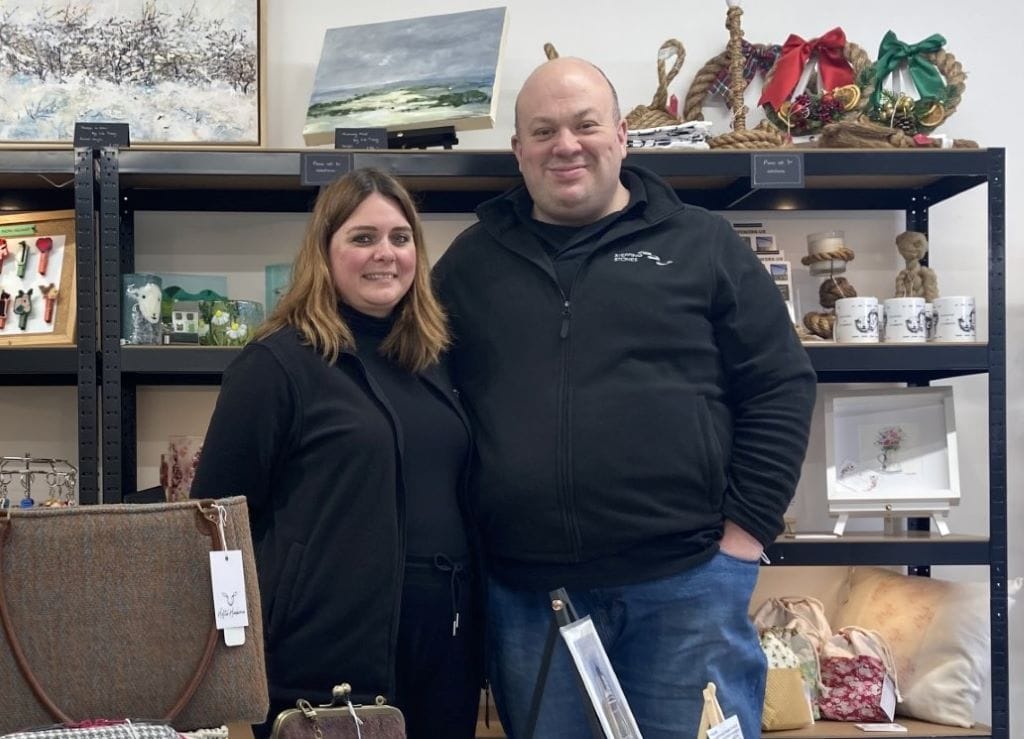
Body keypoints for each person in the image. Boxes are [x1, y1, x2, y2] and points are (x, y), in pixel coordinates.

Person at [432, 57, 817, 739]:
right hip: (531, 599)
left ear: (622, 135)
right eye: (543, 131)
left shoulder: (704, 245)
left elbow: (780, 383)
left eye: (585, 125)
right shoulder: (469, 265)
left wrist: (744, 535)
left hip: (687, 585)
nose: (566, 145)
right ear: (519, 151)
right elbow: (420, 395)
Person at [191, 168, 481, 739]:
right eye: (363, 237)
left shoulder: (432, 359)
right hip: (324, 657)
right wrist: (231, 661)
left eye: (401, 238)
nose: (386, 254)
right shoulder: (276, 366)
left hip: (444, 649)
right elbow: (213, 526)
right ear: (325, 252)